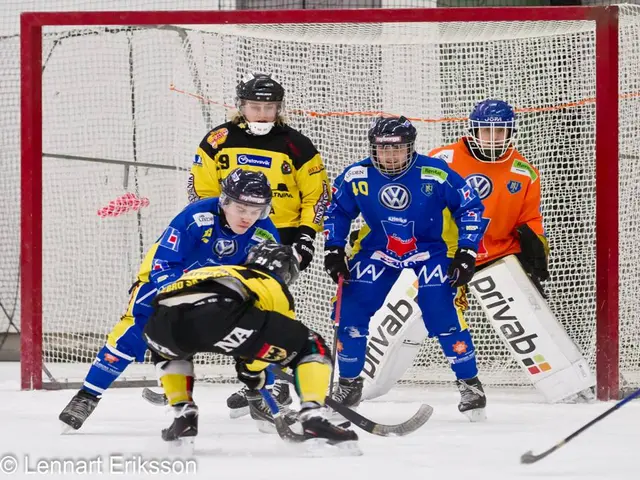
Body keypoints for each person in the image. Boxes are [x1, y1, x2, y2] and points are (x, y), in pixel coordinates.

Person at [58, 169, 278, 431]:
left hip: (219, 292)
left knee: (260, 329)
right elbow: (163, 265)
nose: (248, 217)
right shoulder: (197, 218)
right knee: (133, 333)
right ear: (226, 201)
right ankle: (86, 397)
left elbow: (265, 282)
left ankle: (260, 396)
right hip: (162, 284)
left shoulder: (264, 232)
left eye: (256, 211)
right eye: (242, 208)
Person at [323, 116, 489, 421]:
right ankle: (348, 384)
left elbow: (470, 206)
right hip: (380, 249)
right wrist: (334, 248)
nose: (389, 155)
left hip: (429, 251)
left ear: (410, 147)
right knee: (350, 309)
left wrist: (466, 251)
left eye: (397, 148)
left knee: (439, 311)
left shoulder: (434, 172)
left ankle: (470, 383)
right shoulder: (357, 174)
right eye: (382, 148)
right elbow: (336, 210)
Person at [188, 72, 331, 416]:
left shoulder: (298, 145)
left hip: (278, 238)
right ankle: (257, 379)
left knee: (271, 309)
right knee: (237, 308)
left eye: (270, 107)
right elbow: (202, 192)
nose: (263, 114)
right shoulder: (218, 139)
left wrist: (306, 237)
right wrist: (209, 233)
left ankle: (274, 382)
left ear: (280, 108)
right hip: (232, 235)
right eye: (256, 106)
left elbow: (317, 196)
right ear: (241, 106)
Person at [142, 242, 358, 447]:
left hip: (158, 324)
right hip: (220, 314)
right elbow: (273, 345)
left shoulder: (221, 269)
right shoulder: (270, 283)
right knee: (312, 347)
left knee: (173, 356)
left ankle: (184, 414)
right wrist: (252, 371)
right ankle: (313, 417)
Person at [427, 99, 548, 286]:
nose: (493, 137)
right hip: (447, 254)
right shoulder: (440, 161)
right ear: (475, 130)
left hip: (502, 255)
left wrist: (536, 247)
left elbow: (530, 219)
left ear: (510, 132)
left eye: (500, 131)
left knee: (528, 313)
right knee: (434, 310)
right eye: (486, 130)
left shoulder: (525, 172)